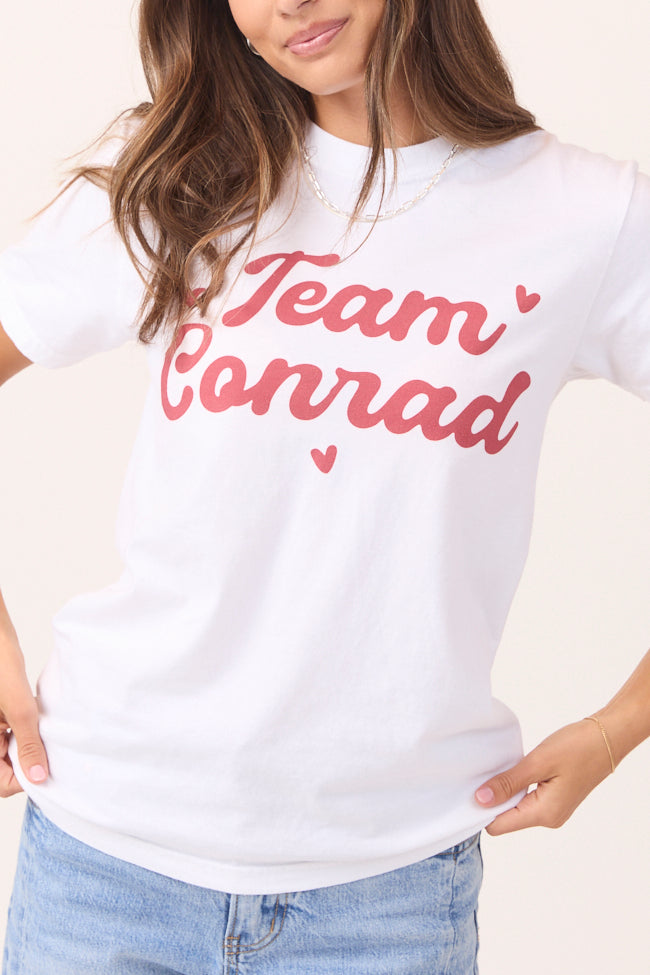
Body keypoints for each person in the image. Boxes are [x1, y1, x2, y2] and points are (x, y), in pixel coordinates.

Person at [0, 0, 648, 972]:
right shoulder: (183, 172)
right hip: (104, 867)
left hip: (385, 898)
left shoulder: (584, 216)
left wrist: (616, 728)